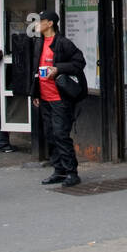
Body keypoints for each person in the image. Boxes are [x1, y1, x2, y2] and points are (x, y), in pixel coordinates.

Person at [31, 10, 86, 188]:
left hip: (60, 98)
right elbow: (35, 71)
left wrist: (58, 68)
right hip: (45, 97)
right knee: (50, 134)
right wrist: (35, 93)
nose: (38, 24)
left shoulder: (63, 43)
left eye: (41, 21)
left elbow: (79, 63)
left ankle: (71, 172)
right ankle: (59, 170)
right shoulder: (39, 43)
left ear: (50, 24)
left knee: (61, 134)